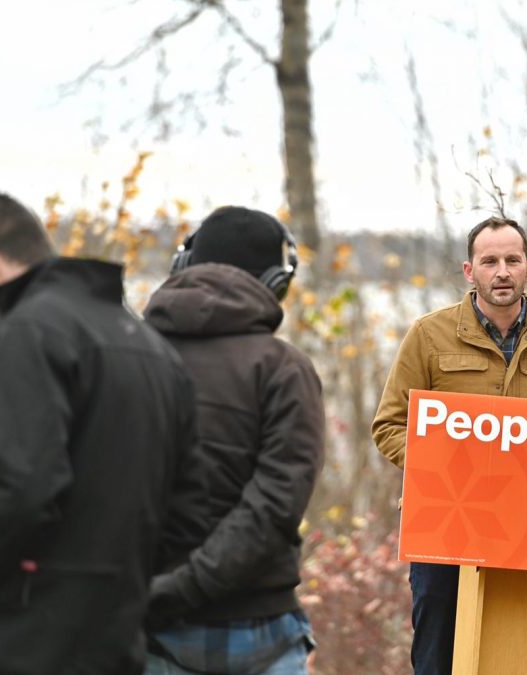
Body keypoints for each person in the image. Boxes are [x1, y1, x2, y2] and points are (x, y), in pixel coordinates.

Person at [0, 185, 197, 673]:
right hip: (115, 642)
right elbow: (188, 509)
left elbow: (15, 491)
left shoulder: (31, 331)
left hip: (12, 646)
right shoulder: (151, 347)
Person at [372, 216, 527, 675]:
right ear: (470, 271)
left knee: (523, 654)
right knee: (437, 650)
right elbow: (390, 425)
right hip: (445, 524)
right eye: (489, 261)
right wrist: (441, 465)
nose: (502, 271)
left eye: (512, 260)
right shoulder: (428, 335)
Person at [141, 206, 326, 675]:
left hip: (144, 623)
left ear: (182, 265)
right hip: (257, 628)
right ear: (275, 282)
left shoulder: (129, 355)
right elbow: (275, 505)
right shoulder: (285, 369)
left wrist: (153, 593)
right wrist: (186, 587)